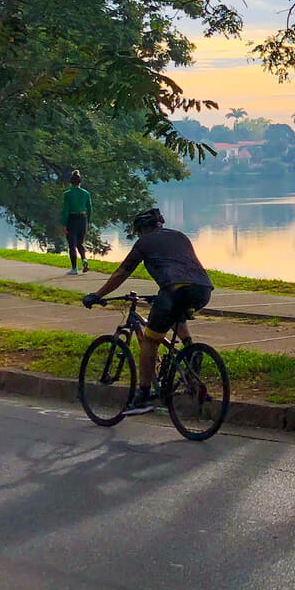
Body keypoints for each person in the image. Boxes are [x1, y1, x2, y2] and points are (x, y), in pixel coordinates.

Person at [82, 208, 212, 415]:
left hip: (174, 289)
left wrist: (97, 295)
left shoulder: (144, 242)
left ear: (142, 229)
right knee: (174, 312)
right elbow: (180, 264)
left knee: (150, 340)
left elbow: (121, 273)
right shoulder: (180, 236)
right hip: (202, 289)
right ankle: (190, 350)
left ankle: (142, 395)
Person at [60, 170, 93, 274]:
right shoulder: (86, 193)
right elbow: (90, 208)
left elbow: (66, 210)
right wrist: (88, 220)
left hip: (72, 219)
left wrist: (64, 224)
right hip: (83, 219)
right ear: (80, 182)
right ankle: (84, 260)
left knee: (72, 245)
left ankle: (74, 269)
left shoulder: (67, 194)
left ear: (71, 182)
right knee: (80, 243)